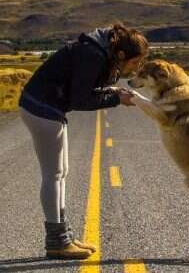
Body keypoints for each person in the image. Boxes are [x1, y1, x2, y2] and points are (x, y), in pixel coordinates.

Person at [19, 23, 149, 260]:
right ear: (121, 54)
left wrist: (113, 92)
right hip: (41, 108)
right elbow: (81, 99)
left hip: (46, 107)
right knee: (53, 175)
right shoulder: (92, 55)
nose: (136, 67)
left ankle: (64, 237)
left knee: (61, 172)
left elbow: (86, 89)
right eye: (135, 62)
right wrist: (116, 99)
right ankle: (57, 242)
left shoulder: (98, 51)